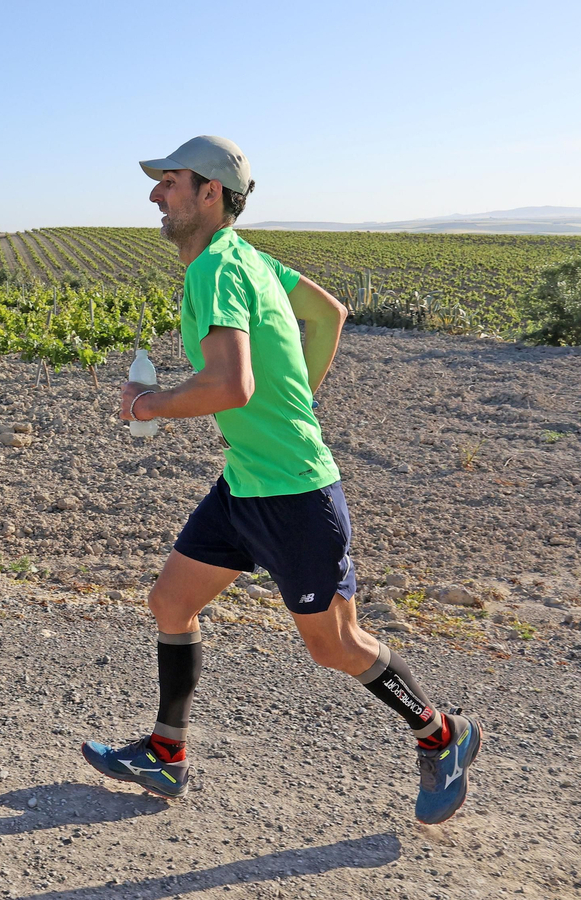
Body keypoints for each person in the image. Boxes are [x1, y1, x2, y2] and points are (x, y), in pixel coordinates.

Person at [81, 136, 482, 825]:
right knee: (171, 603)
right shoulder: (250, 259)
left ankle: (442, 735)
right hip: (246, 484)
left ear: (211, 194)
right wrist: (299, 395)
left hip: (295, 495)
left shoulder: (216, 269)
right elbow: (329, 313)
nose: (155, 196)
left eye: (169, 183)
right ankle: (166, 754)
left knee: (335, 646)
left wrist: (150, 405)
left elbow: (230, 385)